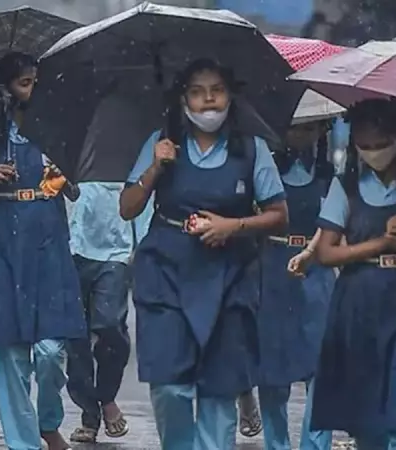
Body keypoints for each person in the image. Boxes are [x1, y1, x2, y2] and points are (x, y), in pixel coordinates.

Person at [119, 58, 289, 450]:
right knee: (170, 387)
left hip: (230, 275)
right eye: (197, 91)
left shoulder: (251, 150)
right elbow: (128, 208)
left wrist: (233, 226)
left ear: (231, 95)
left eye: (217, 89)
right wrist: (155, 169)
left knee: (219, 389)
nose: (208, 99)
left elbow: (279, 216)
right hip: (166, 271)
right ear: (183, 99)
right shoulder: (160, 143)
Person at [293, 99, 396, 449]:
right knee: (366, 412)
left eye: (381, 145)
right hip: (360, 304)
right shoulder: (346, 186)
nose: (374, 153)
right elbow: (326, 251)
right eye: (364, 147)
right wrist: (380, 244)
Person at [0, 52, 86, 450]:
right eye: (24, 82)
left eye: (36, 81)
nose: (32, 89)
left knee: (51, 350)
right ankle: (22, 442)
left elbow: (78, 189)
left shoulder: (59, 130)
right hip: (2, 245)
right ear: (6, 88)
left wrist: (63, 178)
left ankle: (48, 420)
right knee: (10, 355)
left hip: (48, 241)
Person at [239, 109, 337, 450]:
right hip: (272, 268)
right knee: (272, 369)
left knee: (321, 365)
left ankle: (316, 444)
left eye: (312, 128)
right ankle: (276, 443)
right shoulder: (263, 172)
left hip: (318, 270)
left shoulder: (330, 174)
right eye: (297, 128)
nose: (304, 135)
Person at [65, 181, 153, 443]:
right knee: (75, 336)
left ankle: (106, 396)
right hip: (72, 248)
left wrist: (143, 244)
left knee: (109, 324)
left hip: (116, 251)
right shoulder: (71, 148)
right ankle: (89, 414)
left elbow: (145, 192)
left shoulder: (130, 148)